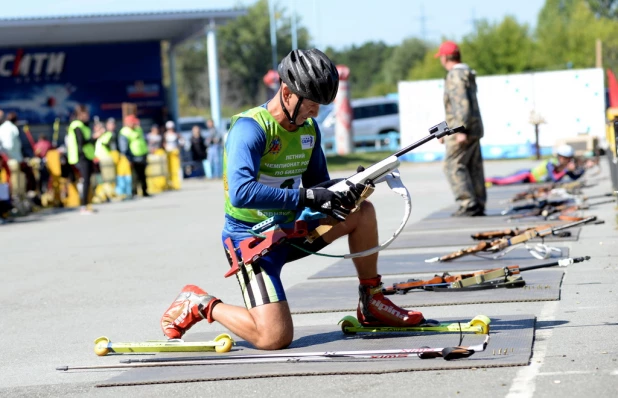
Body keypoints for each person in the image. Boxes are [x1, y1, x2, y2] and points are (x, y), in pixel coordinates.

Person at [160, 49, 436, 350]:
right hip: (251, 241)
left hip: (291, 230)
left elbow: (319, 186)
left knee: (362, 211)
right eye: (312, 104)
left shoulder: (309, 129)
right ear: (287, 92)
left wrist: (350, 185)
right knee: (274, 338)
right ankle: (200, 303)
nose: (315, 113)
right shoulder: (249, 128)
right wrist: (307, 196)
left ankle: (371, 300)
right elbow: (241, 193)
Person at [436, 41, 487, 217]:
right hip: (473, 128)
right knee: (473, 166)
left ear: (445, 57)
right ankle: (478, 202)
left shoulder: (455, 76)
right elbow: (460, 105)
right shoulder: (467, 73)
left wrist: (459, 130)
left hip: (463, 129)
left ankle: (468, 203)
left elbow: (461, 104)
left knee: (452, 165)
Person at [485, 144, 586, 186]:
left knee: (503, 181)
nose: (568, 161)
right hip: (526, 175)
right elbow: (554, 178)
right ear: (560, 157)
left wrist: (583, 169)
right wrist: (566, 170)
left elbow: (574, 177)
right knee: (503, 181)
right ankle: (484, 180)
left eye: (569, 159)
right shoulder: (551, 163)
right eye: (566, 158)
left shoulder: (563, 166)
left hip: (529, 179)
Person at [66, 104, 101, 214]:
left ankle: (86, 204)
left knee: (87, 180)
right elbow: (82, 142)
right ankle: (83, 206)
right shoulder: (77, 125)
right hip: (81, 156)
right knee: (85, 181)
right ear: (80, 115)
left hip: (88, 155)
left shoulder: (84, 125)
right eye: (85, 114)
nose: (87, 116)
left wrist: (96, 137)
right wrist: (94, 137)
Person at [120, 115, 150, 197]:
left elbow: (143, 141)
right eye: (133, 122)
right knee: (134, 176)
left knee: (143, 175)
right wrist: (129, 159)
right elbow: (124, 147)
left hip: (142, 155)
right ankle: (134, 192)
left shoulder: (138, 129)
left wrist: (145, 153)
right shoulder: (124, 132)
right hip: (133, 157)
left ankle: (144, 191)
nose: (135, 124)